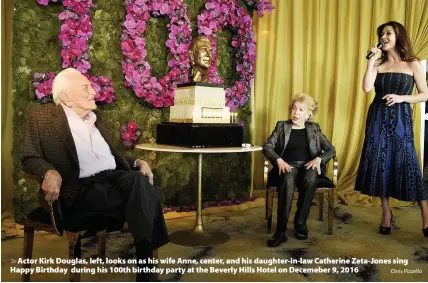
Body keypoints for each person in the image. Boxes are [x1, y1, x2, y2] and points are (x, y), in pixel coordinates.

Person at [21, 68, 169, 281]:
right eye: (86, 87)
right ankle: (147, 269)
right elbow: (29, 157)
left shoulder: (97, 120)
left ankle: (146, 270)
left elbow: (113, 155)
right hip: (79, 190)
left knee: (138, 181)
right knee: (141, 191)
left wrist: (137, 162)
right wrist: (49, 172)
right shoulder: (42, 118)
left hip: (112, 181)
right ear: (66, 97)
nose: (94, 91)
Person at [355, 21, 428, 237]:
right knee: (380, 165)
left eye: (388, 32)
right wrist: (370, 62)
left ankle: (426, 219)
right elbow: (367, 88)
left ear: (398, 36)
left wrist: (401, 98)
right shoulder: (378, 65)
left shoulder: (412, 63)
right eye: (381, 33)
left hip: (401, 120)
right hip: (377, 118)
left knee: (409, 163)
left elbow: (425, 94)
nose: (384, 36)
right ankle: (386, 213)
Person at [263, 93, 336, 247]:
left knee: (311, 177)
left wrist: (319, 159)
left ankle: (300, 223)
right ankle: (280, 231)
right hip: (287, 165)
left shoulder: (314, 128)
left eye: (301, 110)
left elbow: (331, 150)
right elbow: (268, 146)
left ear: (308, 114)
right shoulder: (282, 126)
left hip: (308, 164)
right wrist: (278, 160)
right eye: (294, 109)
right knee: (288, 178)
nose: (296, 113)